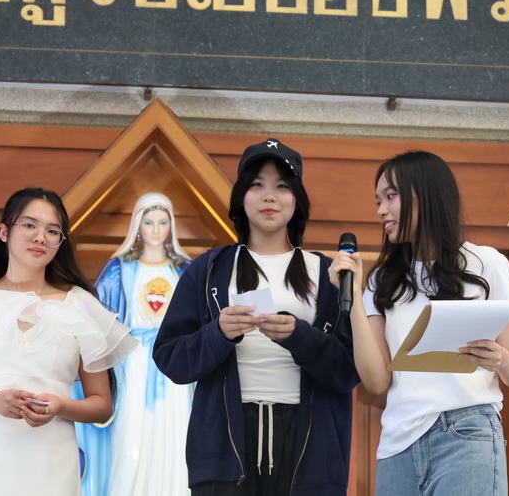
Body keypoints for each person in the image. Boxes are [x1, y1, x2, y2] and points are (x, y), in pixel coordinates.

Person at [153, 139, 359, 496]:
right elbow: (171, 358)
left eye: (282, 186)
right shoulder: (209, 269)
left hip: (311, 449)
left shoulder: (328, 273)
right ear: (241, 199)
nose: (269, 196)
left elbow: (349, 371)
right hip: (224, 448)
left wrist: (300, 337)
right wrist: (218, 333)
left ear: (297, 200)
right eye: (257, 184)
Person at [329, 150, 509, 496]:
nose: (381, 210)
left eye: (390, 196)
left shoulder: (487, 263)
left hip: (466, 432)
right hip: (398, 445)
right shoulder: (382, 280)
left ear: (425, 194)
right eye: (377, 201)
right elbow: (376, 381)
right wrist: (356, 300)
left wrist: (500, 359)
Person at [0, 188, 137, 496]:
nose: (40, 237)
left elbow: (102, 404)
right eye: (29, 225)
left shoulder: (80, 305)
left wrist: (59, 406)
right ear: (4, 231)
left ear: (61, 242)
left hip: (51, 463)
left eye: (52, 231)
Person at [76, 192, 193, 496]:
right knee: (128, 434)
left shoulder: (186, 270)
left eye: (163, 222)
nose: (156, 230)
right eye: (149, 222)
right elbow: (96, 320)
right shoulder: (119, 270)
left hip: (175, 365)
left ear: (172, 225)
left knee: (176, 431)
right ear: (137, 226)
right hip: (132, 363)